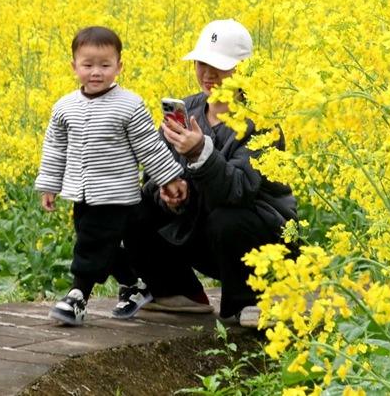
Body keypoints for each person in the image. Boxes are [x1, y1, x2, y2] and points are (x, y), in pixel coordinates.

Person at [124, 19, 297, 327]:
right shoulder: (186, 110)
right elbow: (153, 172)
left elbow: (239, 190)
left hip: (257, 241)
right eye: (202, 63)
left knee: (226, 217)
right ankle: (180, 293)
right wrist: (170, 192)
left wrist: (199, 153)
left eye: (219, 65)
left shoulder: (262, 123)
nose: (207, 74)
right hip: (201, 230)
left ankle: (247, 301)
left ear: (243, 69)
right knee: (130, 205)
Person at [35, 26, 187, 326]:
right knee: (101, 243)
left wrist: (168, 178)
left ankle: (77, 297)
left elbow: (150, 147)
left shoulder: (129, 105)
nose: (96, 72)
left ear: (119, 66)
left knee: (91, 245)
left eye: (105, 65)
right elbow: (55, 149)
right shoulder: (64, 107)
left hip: (117, 194)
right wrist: (50, 185)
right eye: (88, 65)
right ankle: (135, 286)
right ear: (74, 66)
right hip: (82, 193)